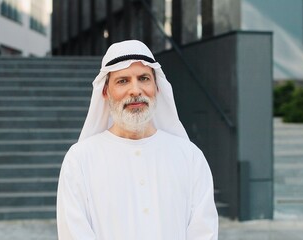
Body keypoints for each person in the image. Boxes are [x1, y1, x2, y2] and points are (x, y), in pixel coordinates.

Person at [56, 40, 218, 240]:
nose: (135, 90)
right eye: (122, 81)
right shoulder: (80, 160)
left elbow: (204, 232)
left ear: (157, 87)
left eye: (143, 78)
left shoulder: (190, 156)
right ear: (105, 92)